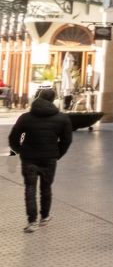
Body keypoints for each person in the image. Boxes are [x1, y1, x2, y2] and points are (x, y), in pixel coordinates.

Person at [9, 88, 73, 231]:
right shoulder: (62, 118)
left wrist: (20, 150)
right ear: (53, 100)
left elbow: (13, 137)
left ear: (38, 97)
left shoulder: (25, 117)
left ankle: (32, 221)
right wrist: (57, 153)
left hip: (29, 158)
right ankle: (44, 217)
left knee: (30, 188)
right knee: (46, 187)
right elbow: (66, 140)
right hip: (49, 158)